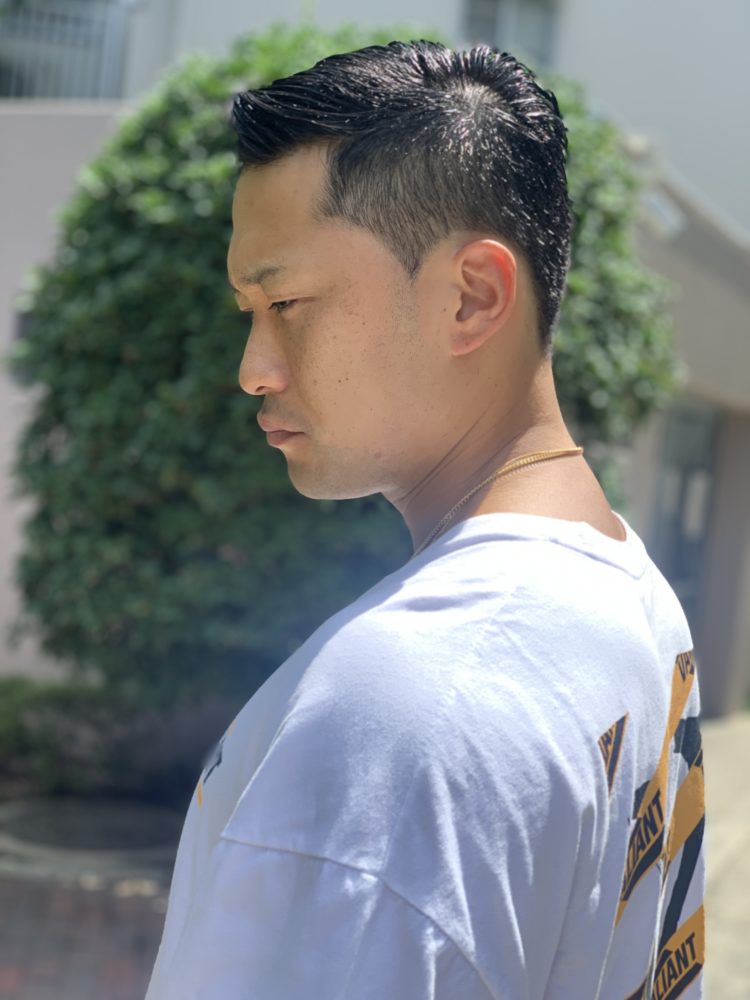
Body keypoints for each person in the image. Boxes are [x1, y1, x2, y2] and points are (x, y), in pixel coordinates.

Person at [145, 41, 705, 999]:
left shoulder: (407, 710)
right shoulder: (632, 595)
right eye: (250, 311)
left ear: (471, 297)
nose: (254, 369)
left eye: (287, 302)